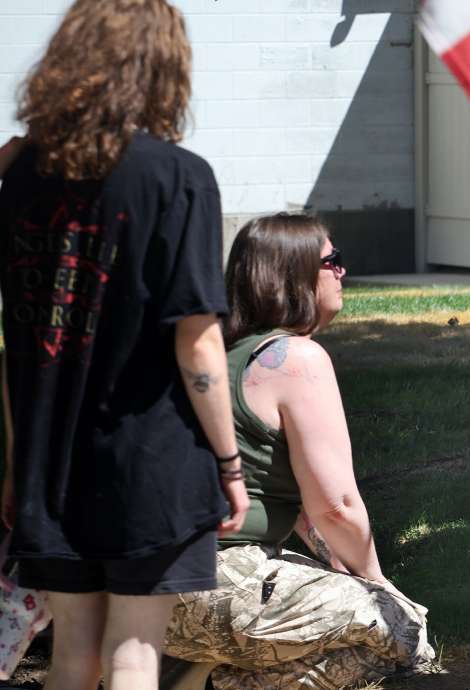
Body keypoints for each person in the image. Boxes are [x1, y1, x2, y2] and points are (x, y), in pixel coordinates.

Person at [0, 2, 249, 690]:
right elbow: (198, 341)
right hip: (151, 463)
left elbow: (17, 341)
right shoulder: (179, 176)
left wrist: (20, 462)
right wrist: (229, 463)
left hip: (51, 467)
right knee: (134, 654)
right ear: (162, 68)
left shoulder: (18, 178)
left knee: (73, 651)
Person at [162, 214, 435, 690]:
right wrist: (381, 586)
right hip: (219, 579)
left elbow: (304, 509)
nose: (342, 272)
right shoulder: (296, 359)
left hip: (152, 587)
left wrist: (340, 567)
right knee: (402, 630)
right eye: (332, 261)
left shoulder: (225, 355)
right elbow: (336, 506)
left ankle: (202, 673)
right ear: (295, 276)